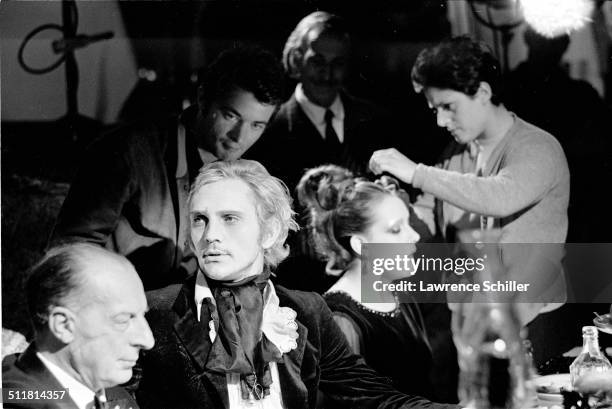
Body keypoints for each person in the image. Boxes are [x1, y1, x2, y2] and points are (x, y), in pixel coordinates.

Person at [135, 160, 459, 409]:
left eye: (229, 218)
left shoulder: (306, 311)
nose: (211, 235)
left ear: (271, 231)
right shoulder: (151, 312)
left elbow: (375, 398)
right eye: (199, 219)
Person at [368, 36, 570, 364]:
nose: (440, 121)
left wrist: (415, 172)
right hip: (475, 322)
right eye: (435, 110)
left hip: (534, 326)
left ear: (483, 93)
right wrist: (399, 207)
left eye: (449, 107)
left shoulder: (538, 147)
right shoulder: (455, 155)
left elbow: (499, 196)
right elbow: (432, 219)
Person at [49, 45, 284, 290]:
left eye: (257, 125)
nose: (239, 137)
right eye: (231, 116)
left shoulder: (249, 176)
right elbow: (68, 253)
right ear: (203, 97)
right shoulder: (128, 150)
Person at [248, 11, 390, 293]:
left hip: (374, 282)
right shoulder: (267, 133)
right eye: (317, 61)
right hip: (304, 293)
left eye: (337, 63)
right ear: (297, 59)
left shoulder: (375, 122)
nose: (327, 75)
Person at [296, 164, 441, 400]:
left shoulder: (400, 294)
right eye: (396, 230)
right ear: (361, 245)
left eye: (408, 224)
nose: (413, 236)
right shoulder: (340, 321)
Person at [2, 243, 155, 409]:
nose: (148, 340)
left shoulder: (105, 389)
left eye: (143, 315)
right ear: (63, 326)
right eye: (123, 319)